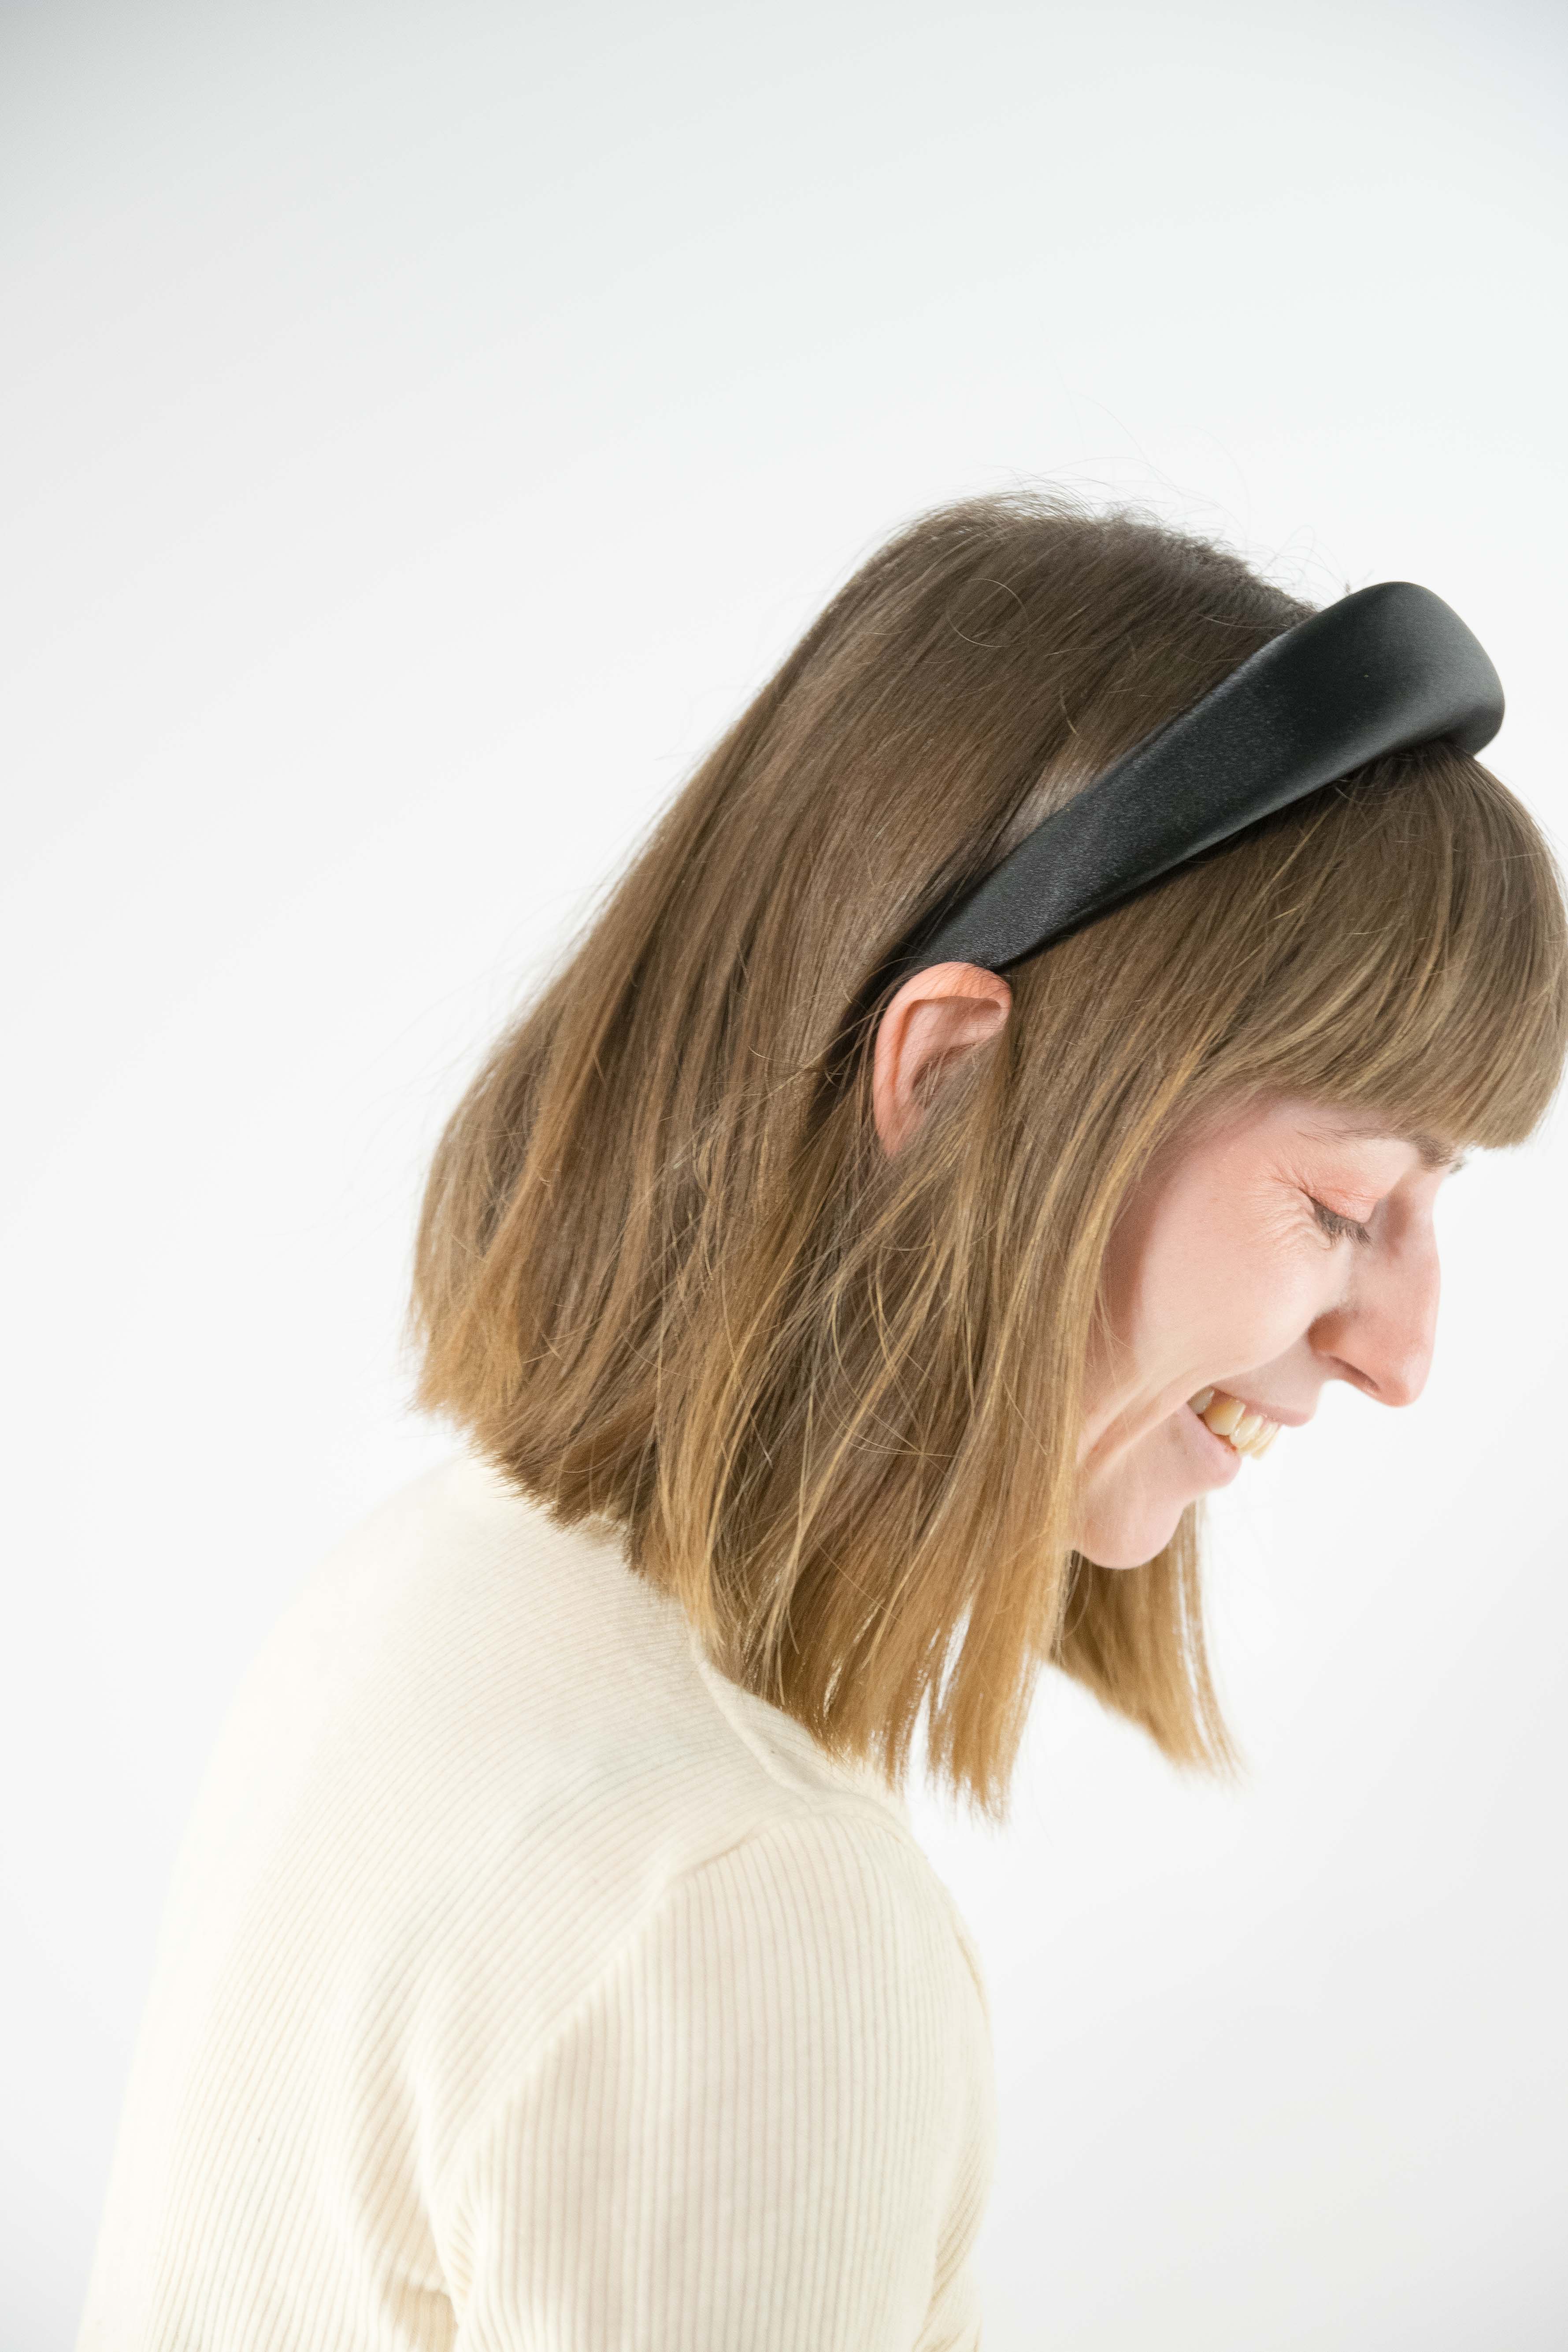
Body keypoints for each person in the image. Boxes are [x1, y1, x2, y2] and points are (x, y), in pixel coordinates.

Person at [77, 492, 1568, 2349]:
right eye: (1343, 1205)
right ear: (949, 1083)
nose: (1405, 1355)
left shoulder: (441, 1590)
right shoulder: (744, 1915)